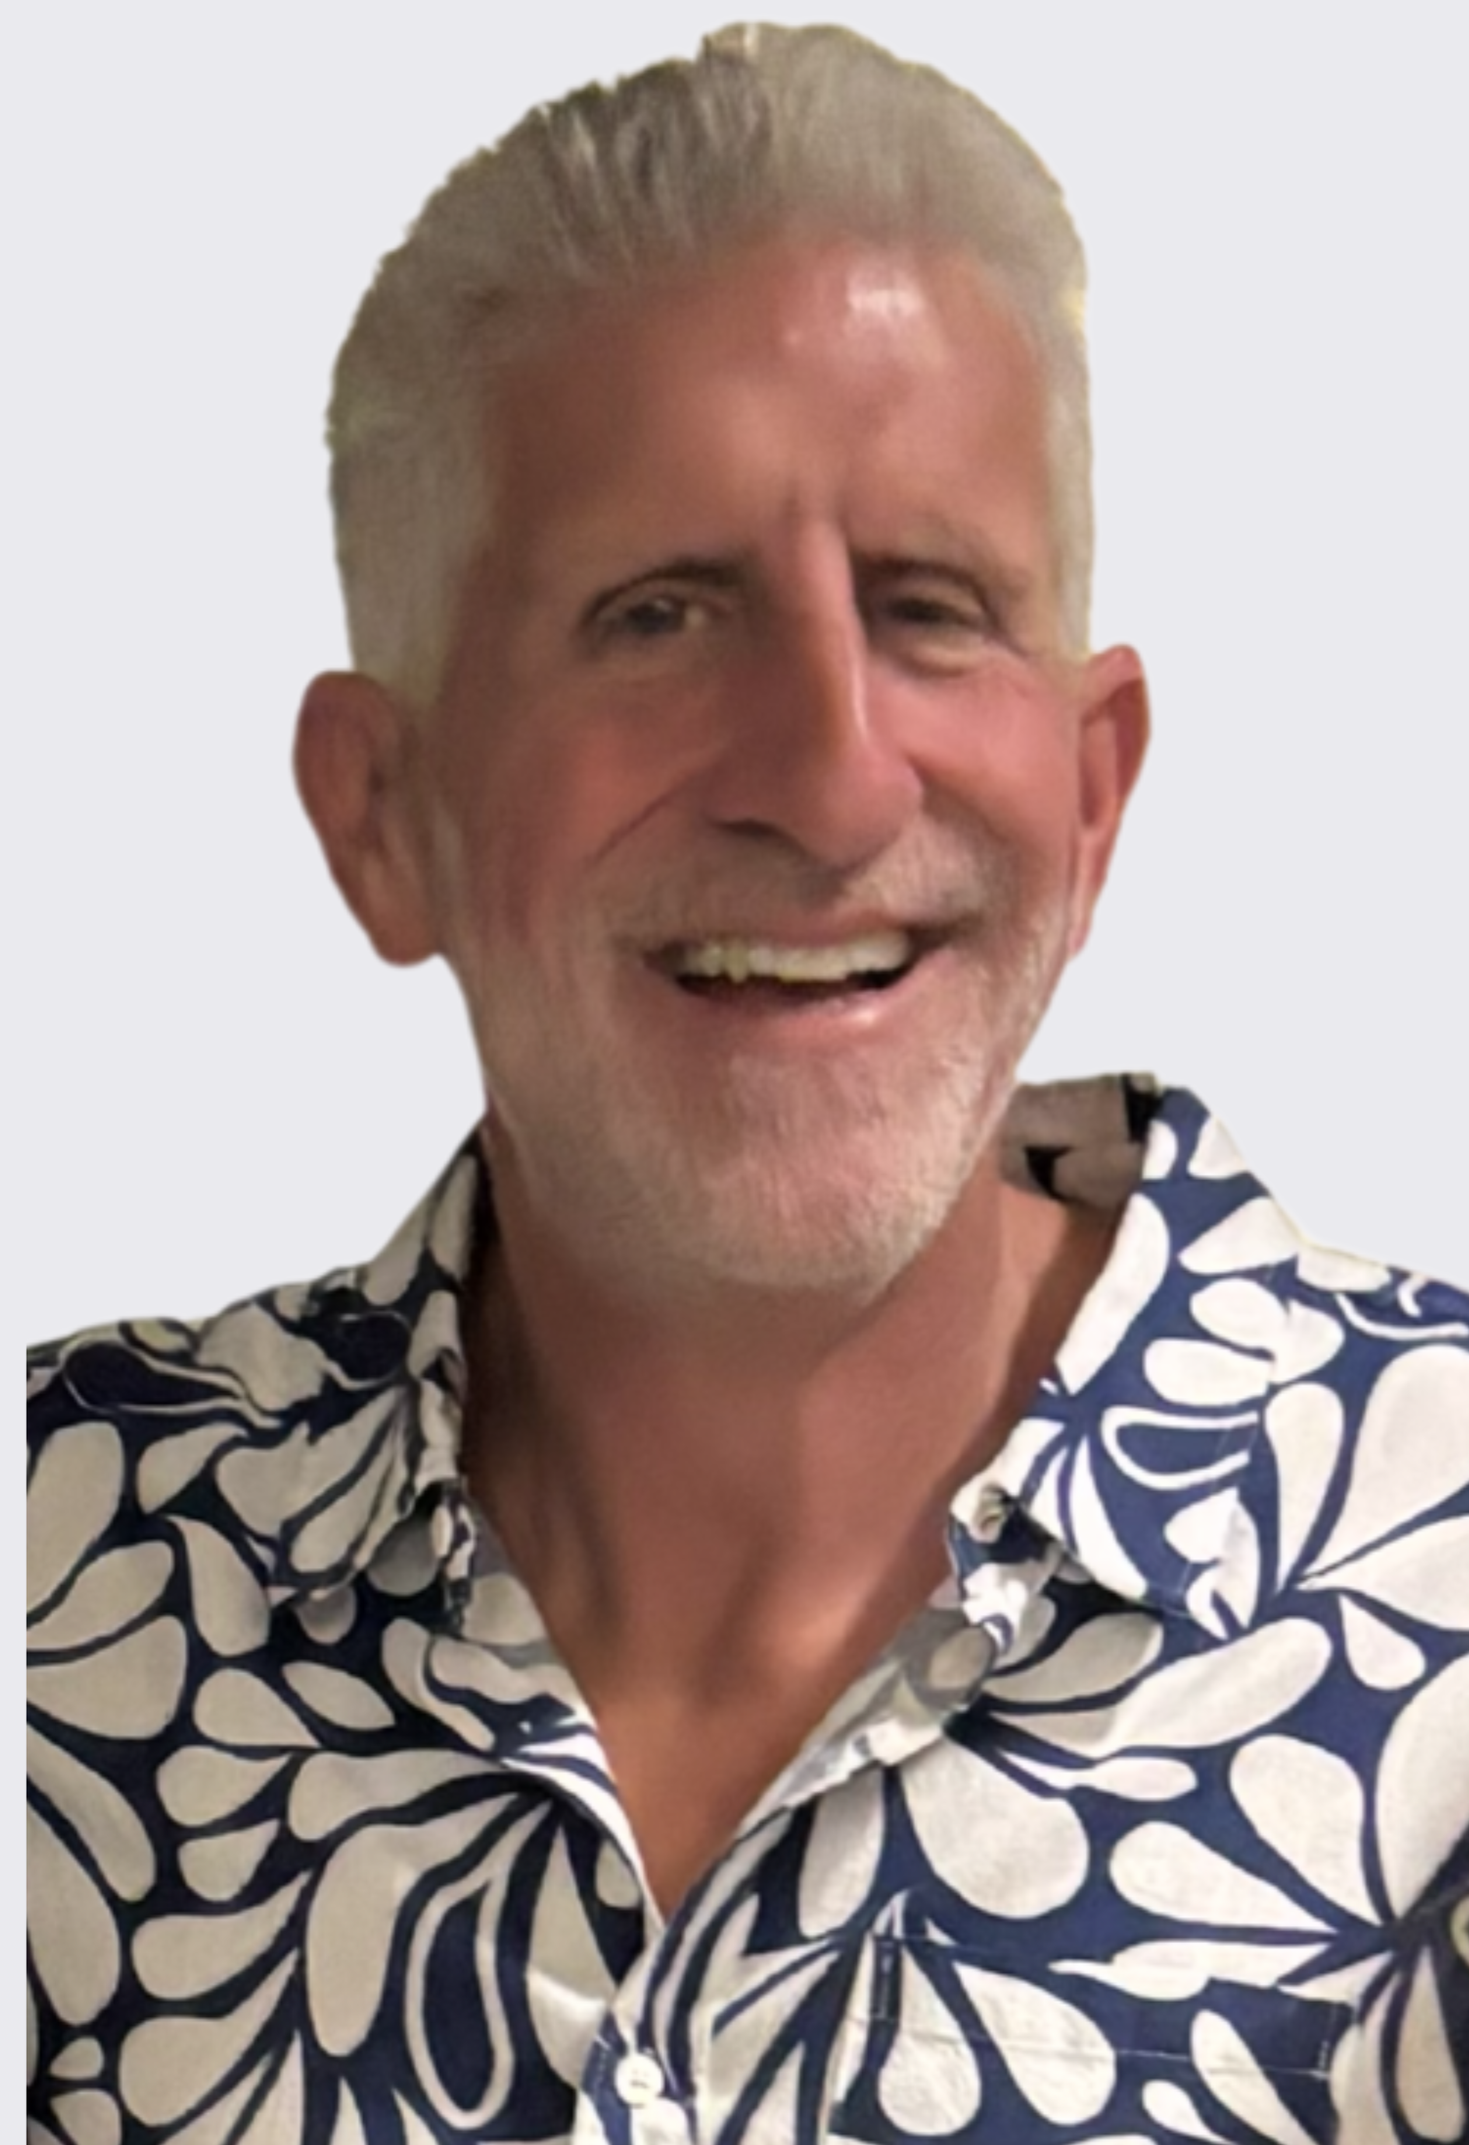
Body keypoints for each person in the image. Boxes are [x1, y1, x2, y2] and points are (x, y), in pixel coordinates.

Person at [27, 24, 1467, 2144]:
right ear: (380, 817)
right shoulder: (58, 1583)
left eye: (927, 605)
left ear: (1089, 797)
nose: (827, 773)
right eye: (657, 612)